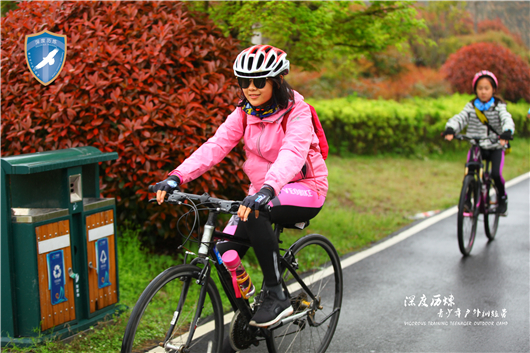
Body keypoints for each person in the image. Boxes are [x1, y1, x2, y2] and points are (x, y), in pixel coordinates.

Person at [153, 45, 328, 330]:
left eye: (259, 82)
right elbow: (216, 146)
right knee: (223, 252)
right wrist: (176, 177)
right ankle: (246, 316)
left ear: (277, 80)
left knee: (259, 210)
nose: (250, 88)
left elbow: (293, 153)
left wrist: (268, 188)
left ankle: (276, 293)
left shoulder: (298, 112)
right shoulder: (244, 113)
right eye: (243, 82)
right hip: (260, 193)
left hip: (305, 188)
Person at [442, 70, 515, 215]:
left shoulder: (499, 106)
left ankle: (502, 198)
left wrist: (507, 131)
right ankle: (467, 200)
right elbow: (460, 118)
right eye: (480, 88)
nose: (483, 92)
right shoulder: (471, 107)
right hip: (477, 145)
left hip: (495, 146)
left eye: (486, 88)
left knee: (495, 174)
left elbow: (506, 118)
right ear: (475, 90)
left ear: (493, 89)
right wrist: (450, 128)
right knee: (470, 170)